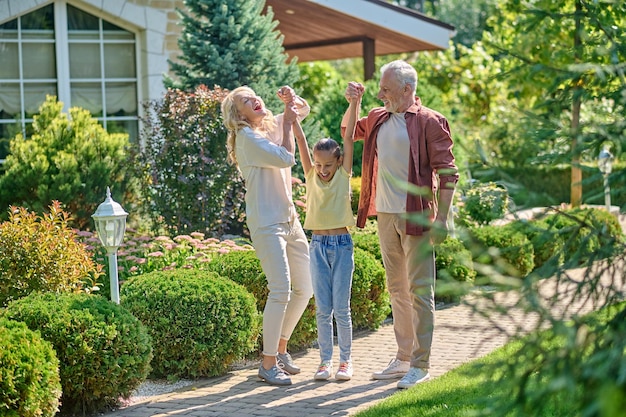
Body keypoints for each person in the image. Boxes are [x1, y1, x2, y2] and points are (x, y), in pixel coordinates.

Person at [342, 60, 459, 389]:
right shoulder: (379, 117)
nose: (380, 94)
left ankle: (421, 364)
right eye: (380, 89)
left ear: (408, 90)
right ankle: (404, 356)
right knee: (397, 289)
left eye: (387, 90)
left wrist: (443, 219)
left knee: (420, 291)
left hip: (418, 215)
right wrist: (354, 103)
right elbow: (348, 132)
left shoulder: (430, 122)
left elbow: (449, 173)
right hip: (386, 215)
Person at [221, 85, 314, 386]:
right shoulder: (247, 138)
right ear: (239, 114)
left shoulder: (269, 125)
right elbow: (287, 158)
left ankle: (281, 348)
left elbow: (304, 110)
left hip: (289, 219)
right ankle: (268, 363)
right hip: (266, 223)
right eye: (246, 101)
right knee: (281, 290)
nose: (254, 100)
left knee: (305, 288)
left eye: (253, 95)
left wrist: (291, 103)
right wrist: (287, 120)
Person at [291, 88, 362, 381]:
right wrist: (292, 115)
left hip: (342, 245)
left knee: (341, 309)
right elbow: (300, 141)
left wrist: (355, 102)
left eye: (327, 165)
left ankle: (345, 361)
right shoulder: (310, 174)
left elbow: (348, 137)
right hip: (317, 245)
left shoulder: (344, 173)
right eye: (318, 165)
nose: (322, 170)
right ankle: (325, 362)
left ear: (339, 161)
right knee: (323, 309)